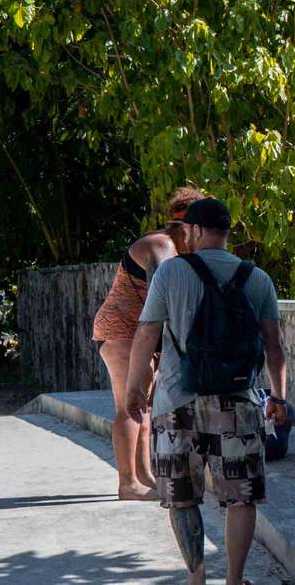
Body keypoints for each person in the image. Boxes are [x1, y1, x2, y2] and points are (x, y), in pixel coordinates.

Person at [126, 197, 288, 585]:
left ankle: (197, 578)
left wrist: (136, 386)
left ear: (195, 231)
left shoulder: (170, 273)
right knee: (241, 496)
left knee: (182, 496)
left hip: (176, 402)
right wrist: (278, 398)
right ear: (226, 233)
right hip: (238, 401)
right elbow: (274, 346)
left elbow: (148, 332)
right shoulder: (258, 278)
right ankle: (234, 580)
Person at [91, 185, 201, 499]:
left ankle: (145, 475)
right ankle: (128, 483)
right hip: (120, 331)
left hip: (141, 335)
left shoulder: (178, 251)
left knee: (145, 408)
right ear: (188, 228)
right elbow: (165, 296)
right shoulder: (162, 246)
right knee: (128, 406)